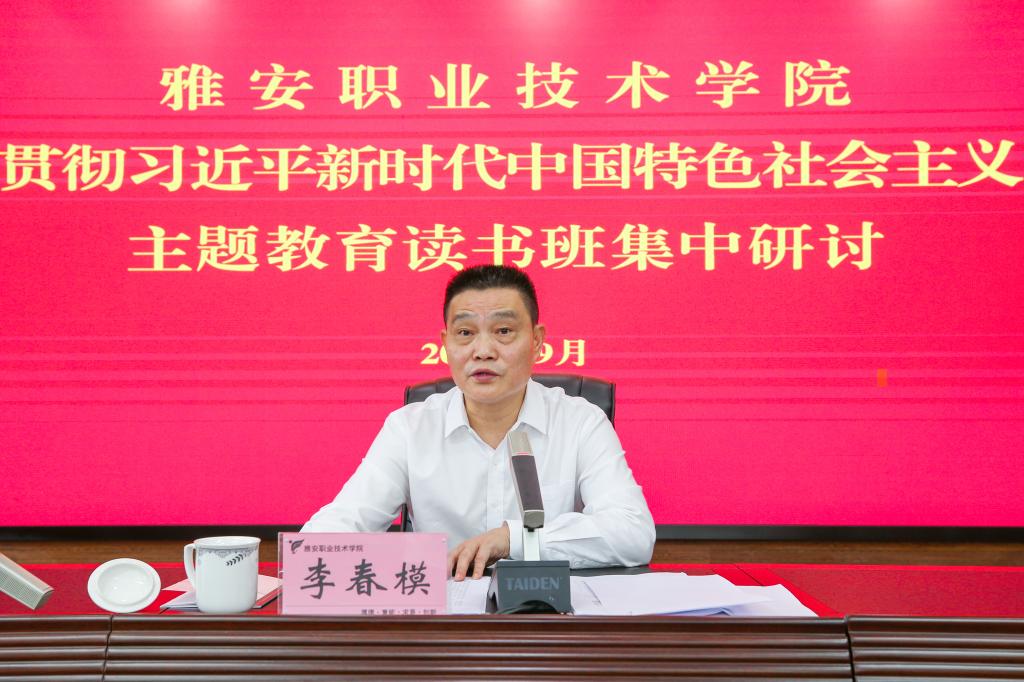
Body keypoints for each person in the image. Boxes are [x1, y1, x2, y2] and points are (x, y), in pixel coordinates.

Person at [302, 265, 655, 580]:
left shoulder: (580, 422)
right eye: (465, 333)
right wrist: (308, 557)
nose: (483, 350)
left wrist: (514, 539)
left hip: (546, 618)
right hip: (443, 621)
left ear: (537, 341)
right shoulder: (410, 428)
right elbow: (345, 519)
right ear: (446, 344)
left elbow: (633, 533)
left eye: (503, 330)